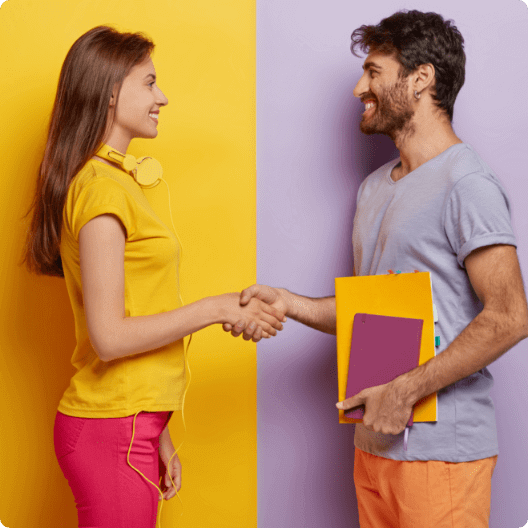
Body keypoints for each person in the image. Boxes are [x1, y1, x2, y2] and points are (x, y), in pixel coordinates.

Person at [224, 10, 528, 527]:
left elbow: (509, 317)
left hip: (442, 456)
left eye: (374, 71)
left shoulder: (467, 183)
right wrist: (289, 303)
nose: (359, 87)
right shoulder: (373, 189)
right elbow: (372, 312)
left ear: (421, 79)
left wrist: (405, 392)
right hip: (375, 445)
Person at [23, 26, 285, 528]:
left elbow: (135, 313)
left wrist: (158, 432)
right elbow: (109, 337)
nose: (161, 96)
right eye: (149, 82)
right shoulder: (101, 190)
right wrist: (216, 308)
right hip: (111, 431)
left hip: (129, 427)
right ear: (110, 92)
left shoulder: (112, 182)